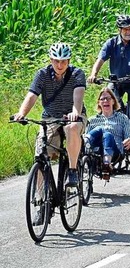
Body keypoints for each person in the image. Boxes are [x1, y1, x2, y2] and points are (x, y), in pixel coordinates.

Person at [13, 43, 86, 188]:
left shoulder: (77, 74)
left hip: (73, 116)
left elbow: (78, 96)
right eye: (56, 61)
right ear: (51, 60)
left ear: (69, 61)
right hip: (51, 118)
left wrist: (75, 112)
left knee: (72, 128)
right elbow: (32, 96)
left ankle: (72, 170)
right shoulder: (42, 74)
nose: (60, 65)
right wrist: (21, 113)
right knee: (41, 153)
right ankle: (41, 197)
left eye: (64, 61)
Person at [87, 14, 130, 156]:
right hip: (116, 83)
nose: (128, 32)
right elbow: (101, 59)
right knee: (108, 106)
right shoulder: (111, 43)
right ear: (119, 30)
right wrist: (93, 74)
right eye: (125, 29)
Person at [84, 88, 130, 181]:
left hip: (115, 150)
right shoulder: (92, 120)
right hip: (96, 150)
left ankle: (106, 164)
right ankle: (85, 141)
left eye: (108, 98)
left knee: (107, 134)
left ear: (113, 101)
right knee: (98, 130)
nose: (105, 101)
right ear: (99, 103)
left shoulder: (122, 118)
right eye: (102, 99)